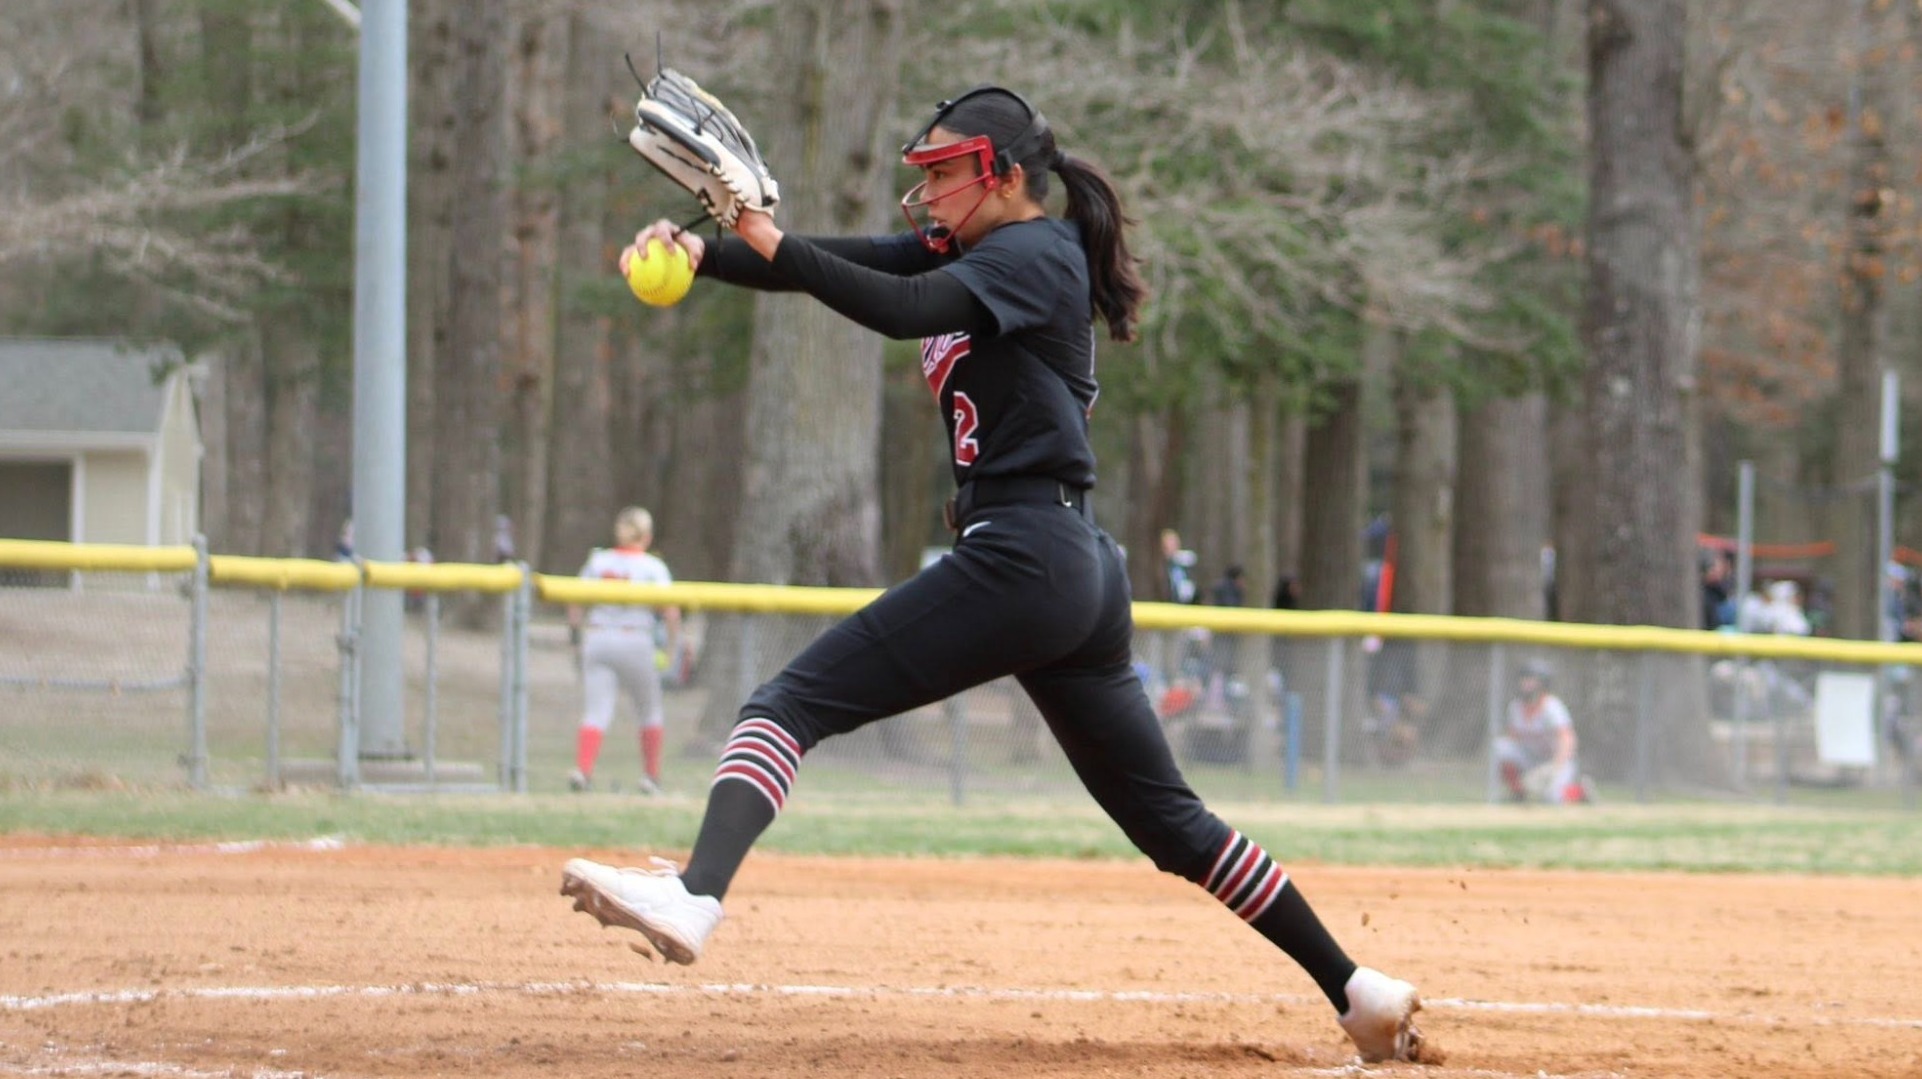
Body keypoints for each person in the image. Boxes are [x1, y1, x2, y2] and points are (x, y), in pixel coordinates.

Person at [558, 85, 1424, 1063]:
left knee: (786, 702)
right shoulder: (976, 250)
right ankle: (1356, 989)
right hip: (1069, 566)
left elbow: (897, 310)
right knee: (1172, 823)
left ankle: (697, 893)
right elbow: (834, 267)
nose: (924, 192)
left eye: (944, 171)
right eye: (920, 172)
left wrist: (758, 230)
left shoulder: (1034, 251)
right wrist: (707, 252)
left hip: (1026, 554)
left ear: (1005, 175)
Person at [566, 507, 681, 796]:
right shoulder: (652, 567)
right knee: (649, 711)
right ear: (647, 536)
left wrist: (575, 638)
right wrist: (671, 647)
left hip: (598, 637)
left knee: (596, 711)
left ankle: (583, 770)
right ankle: (650, 777)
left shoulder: (599, 560)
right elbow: (671, 612)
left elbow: (574, 603)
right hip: (636, 640)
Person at [1494, 660, 1589, 805]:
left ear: (1542, 683)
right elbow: (1512, 740)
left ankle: (1581, 792)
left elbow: (1568, 740)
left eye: (1530, 679)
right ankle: (1519, 792)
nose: (1525, 683)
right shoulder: (1515, 707)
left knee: (1552, 799)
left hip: (1557, 760)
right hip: (1532, 759)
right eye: (1523, 679)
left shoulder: (1552, 706)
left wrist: (1555, 768)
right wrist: (1518, 775)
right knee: (1499, 747)